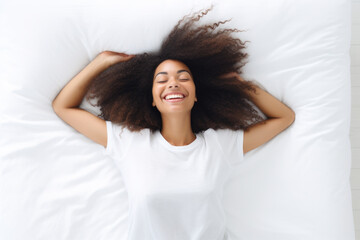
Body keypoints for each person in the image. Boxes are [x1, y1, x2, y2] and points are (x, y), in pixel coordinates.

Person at [52, 5, 295, 240]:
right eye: (162, 79)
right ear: (153, 100)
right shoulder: (130, 143)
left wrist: (243, 86)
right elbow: (64, 107)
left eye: (183, 77)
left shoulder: (219, 145)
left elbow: (284, 117)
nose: (173, 83)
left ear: (196, 94)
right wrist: (102, 61)